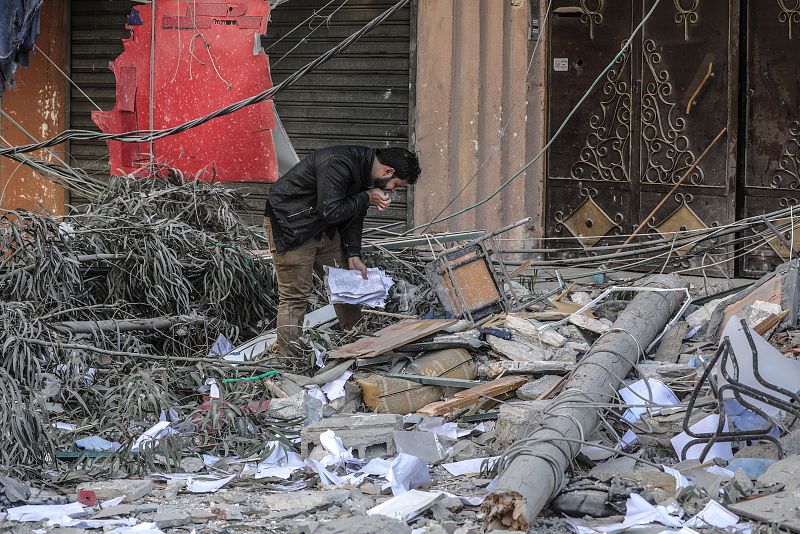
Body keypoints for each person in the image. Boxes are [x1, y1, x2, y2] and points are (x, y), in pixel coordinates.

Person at [263, 145, 421, 359]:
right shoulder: (338, 163)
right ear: (388, 172)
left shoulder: (367, 174)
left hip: (323, 228)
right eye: (396, 185)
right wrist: (366, 197)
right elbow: (331, 210)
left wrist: (353, 253)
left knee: (346, 288)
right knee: (295, 296)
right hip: (292, 227)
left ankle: (358, 345)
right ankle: (289, 357)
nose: (392, 191)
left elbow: (354, 217)